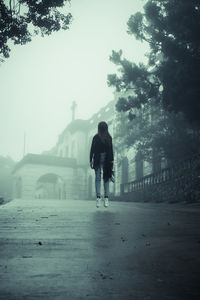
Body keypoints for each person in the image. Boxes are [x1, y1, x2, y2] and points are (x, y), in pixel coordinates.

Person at [90, 121, 114, 208]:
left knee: (98, 179)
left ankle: (99, 198)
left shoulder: (105, 137)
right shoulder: (98, 137)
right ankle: (105, 199)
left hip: (103, 159)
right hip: (102, 159)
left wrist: (90, 160)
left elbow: (92, 150)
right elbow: (92, 149)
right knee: (105, 179)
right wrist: (112, 161)